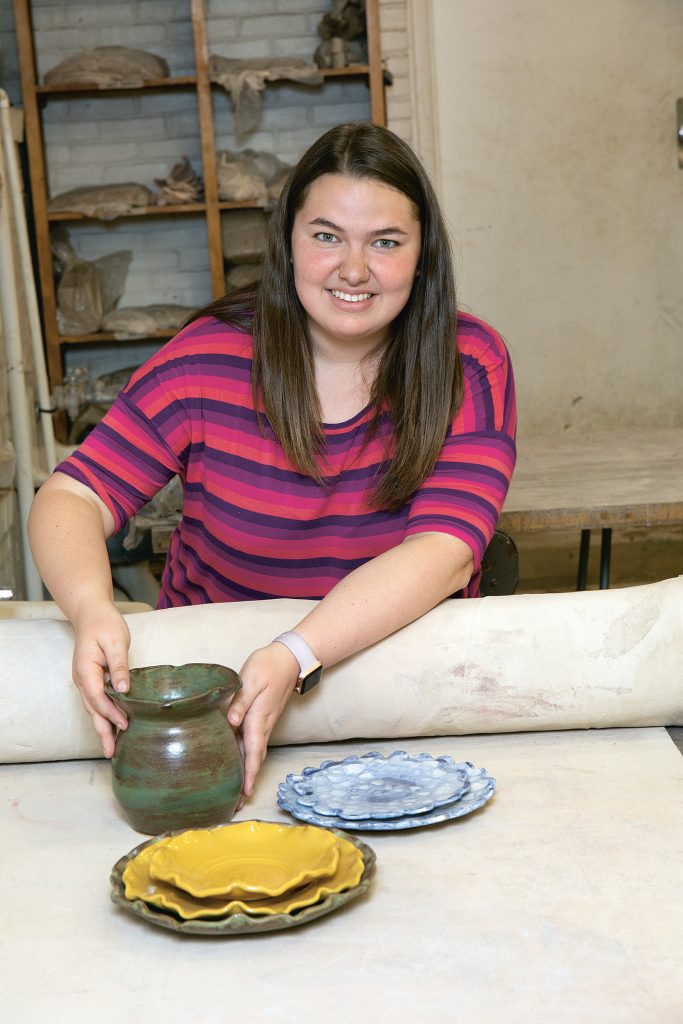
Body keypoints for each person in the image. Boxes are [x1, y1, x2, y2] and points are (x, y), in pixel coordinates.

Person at [29, 123, 516, 800]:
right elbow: (73, 495)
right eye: (326, 236)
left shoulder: (466, 360)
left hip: (396, 669)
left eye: (384, 242)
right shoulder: (209, 356)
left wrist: (295, 653)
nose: (353, 269)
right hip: (219, 679)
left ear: (423, 256)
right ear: (287, 244)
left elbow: (447, 549)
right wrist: (90, 608)